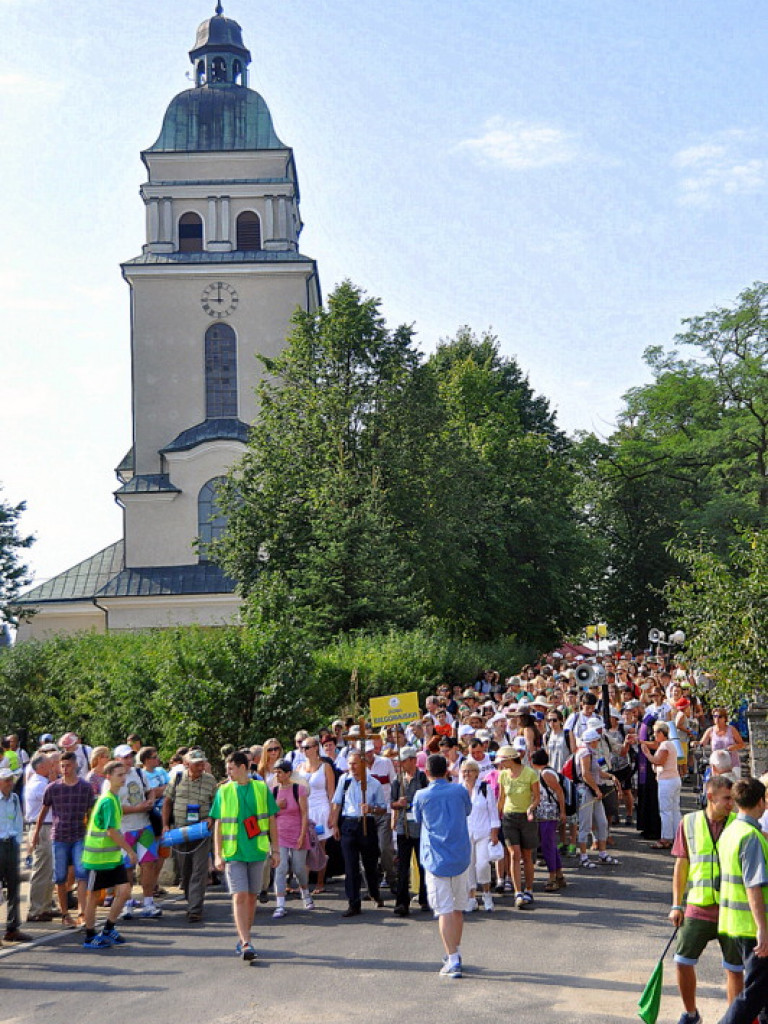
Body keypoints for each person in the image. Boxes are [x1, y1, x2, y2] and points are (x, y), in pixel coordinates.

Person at [669, 775, 743, 1024]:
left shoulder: (739, 823)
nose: (731, 804)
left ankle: (734, 1018)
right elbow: (681, 865)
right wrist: (676, 905)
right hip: (698, 906)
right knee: (681, 961)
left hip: (731, 909)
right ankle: (691, 1014)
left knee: (735, 969)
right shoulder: (688, 823)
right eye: (727, 799)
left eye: (733, 799)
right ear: (710, 797)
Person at [211, 751, 280, 961]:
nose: (228, 772)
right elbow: (218, 824)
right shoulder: (223, 791)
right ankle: (246, 941)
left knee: (251, 897)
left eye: (231, 768)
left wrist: (275, 849)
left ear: (243, 767)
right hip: (234, 852)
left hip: (257, 851)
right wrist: (218, 854)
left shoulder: (260, 788)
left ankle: (245, 937)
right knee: (239, 895)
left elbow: (271, 821)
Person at [413, 754, 472, 979]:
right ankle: (454, 952)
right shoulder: (459, 790)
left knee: (445, 910)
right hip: (459, 855)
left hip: (436, 858)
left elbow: (417, 819)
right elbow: (467, 810)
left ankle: (453, 957)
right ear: (447, 770)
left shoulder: (421, 795)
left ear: (426, 772)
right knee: (457, 908)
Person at [715, 777, 768, 1024]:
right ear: (761, 801)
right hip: (751, 926)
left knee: (763, 990)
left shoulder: (730, 832)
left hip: (733, 923)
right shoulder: (752, 837)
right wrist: (763, 930)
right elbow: (753, 886)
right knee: (754, 995)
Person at [31, 749, 95, 927]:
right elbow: (43, 812)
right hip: (59, 835)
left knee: (82, 874)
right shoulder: (53, 788)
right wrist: (35, 834)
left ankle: (82, 911)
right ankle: (65, 914)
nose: (65, 769)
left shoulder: (85, 787)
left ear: (74, 765)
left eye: (67, 765)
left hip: (79, 835)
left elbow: (91, 813)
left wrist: (93, 833)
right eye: (62, 766)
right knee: (60, 877)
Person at [81, 759, 137, 950]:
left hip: (111, 857)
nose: (123, 778)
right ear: (108, 777)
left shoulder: (113, 798)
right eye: (119, 775)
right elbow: (111, 831)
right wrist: (129, 850)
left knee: (125, 891)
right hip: (98, 858)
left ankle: (108, 928)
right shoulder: (107, 800)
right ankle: (89, 935)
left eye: (124, 775)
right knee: (94, 897)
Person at [162, 748, 218, 922]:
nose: (201, 766)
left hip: (201, 830)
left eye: (202, 762)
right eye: (197, 763)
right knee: (185, 871)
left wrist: (211, 817)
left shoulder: (210, 780)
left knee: (199, 870)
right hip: (180, 831)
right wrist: (165, 825)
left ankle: (195, 908)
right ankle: (190, 899)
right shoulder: (177, 779)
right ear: (187, 764)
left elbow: (216, 803)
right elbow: (167, 802)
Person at [328, 750, 387, 917]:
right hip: (348, 823)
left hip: (366, 823)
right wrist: (335, 825)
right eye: (350, 764)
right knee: (350, 866)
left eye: (355, 764)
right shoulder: (344, 780)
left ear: (363, 764)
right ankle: (353, 903)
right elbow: (337, 803)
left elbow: (383, 808)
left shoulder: (374, 783)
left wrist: (372, 808)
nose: (352, 767)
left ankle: (374, 892)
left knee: (369, 864)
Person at [113, 744, 163, 919]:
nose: (129, 760)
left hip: (144, 826)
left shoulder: (139, 773)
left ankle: (148, 902)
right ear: (117, 759)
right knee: (127, 867)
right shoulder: (112, 779)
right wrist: (137, 808)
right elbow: (115, 808)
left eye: (130, 757)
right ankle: (127, 903)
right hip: (125, 829)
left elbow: (151, 792)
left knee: (148, 864)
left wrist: (149, 801)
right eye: (125, 757)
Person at [497, 736, 540, 907]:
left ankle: (529, 889)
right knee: (514, 854)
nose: (500, 763)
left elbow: (537, 797)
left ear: (509, 759)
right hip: (509, 817)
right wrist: (495, 818)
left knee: (527, 856)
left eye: (502, 760)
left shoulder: (530, 773)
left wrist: (531, 808)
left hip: (526, 817)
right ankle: (518, 892)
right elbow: (501, 798)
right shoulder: (503, 775)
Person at [390, 745, 429, 916]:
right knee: (403, 867)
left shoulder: (422, 778)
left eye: (404, 761)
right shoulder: (397, 780)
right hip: (403, 827)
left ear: (413, 760)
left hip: (421, 828)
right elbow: (391, 803)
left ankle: (425, 898)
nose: (401, 764)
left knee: (423, 865)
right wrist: (399, 803)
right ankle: (401, 902)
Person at [271, 760, 314, 917]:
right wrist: (276, 806)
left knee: (298, 868)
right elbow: (269, 815)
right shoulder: (273, 791)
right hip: (279, 835)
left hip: (297, 833)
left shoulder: (299, 790)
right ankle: (280, 904)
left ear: (288, 773)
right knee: (280, 868)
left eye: (280, 772)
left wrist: (303, 835)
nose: (277, 775)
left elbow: (304, 814)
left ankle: (305, 893)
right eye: (275, 772)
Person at [459, 758, 500, 912]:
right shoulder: (459, 789)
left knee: (482, 865)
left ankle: (487, 894)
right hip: (465, 834)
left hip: (483, 832)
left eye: (469, 771)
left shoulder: (485, 788)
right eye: (464, 771)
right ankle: (471, 897)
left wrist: (494, 832)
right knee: (468, 866)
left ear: (476, 773)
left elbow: (493, 812)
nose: (466, 774)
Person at [297, 735, 335, 894]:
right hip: (306, 809)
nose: (304, 750)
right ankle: (303, 885)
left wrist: (333, 814)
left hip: (321, 808)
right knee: (305, 846)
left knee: (320, 847)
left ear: (315, 748)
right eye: (302, 748)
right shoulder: (299, 768)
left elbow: (332, 793)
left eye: (307, 747)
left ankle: (320, 882)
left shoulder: (325, 767)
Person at [23, 749, 58, 923]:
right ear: (42, 766)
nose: (55, 767)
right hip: (41, 828)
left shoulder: (43, 781)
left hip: (47, 827)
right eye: (51, 764)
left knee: (49, 869)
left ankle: (45, 906)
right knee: (42, 868)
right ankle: (35, 909)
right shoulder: (39, 784)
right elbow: (55, 799)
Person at [0, 767, 31, 944]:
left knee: (14, 886)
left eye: (10, 780)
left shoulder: (13, 798)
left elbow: (19, 821)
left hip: (10, 844)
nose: (9, 784)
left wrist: (18, 840)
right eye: (6, 780)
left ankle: (12, 928)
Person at [642, 720, 682, 850]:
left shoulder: (665, 746)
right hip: (674, 779)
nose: (653, 735)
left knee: (665, 811)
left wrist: (647, 754)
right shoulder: (669, 744)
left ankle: (666, 838)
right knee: (675, 809)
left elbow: (659, 761)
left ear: (660, 733)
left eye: (655, 732)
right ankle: (677, 836)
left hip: (667, 781)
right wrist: (642, 743)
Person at [700, 710, 745, 780]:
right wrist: (694, 743)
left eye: (720, 717)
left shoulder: (731, 729)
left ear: (725, 718)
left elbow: (741, 744)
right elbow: (702, 743)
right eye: (715, 716)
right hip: (717, 766)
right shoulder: (710, 730)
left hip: (732, 764)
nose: (717, 719)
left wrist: (732, 747)